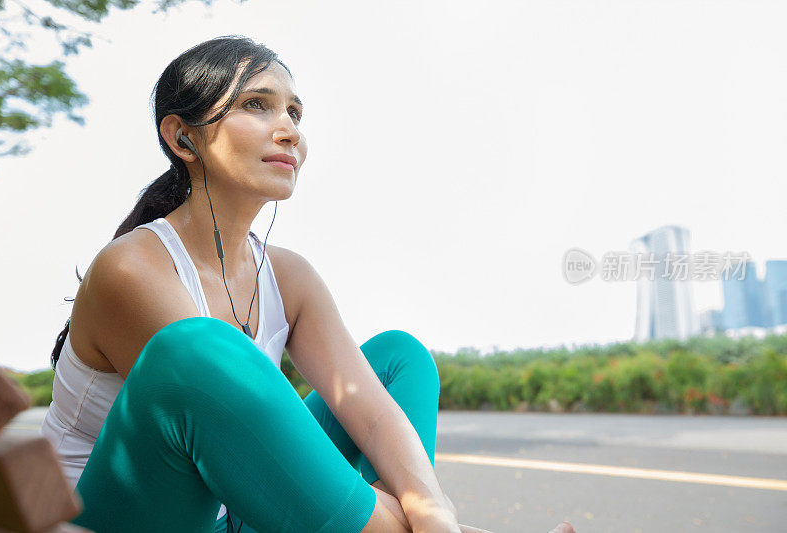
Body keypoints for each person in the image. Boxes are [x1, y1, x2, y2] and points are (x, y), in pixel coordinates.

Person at [39, 35, 538, 533]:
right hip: (114, 520)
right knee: (198, 349)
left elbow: (366, 411)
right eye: (257, 105)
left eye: (295, 114)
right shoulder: (132, 270)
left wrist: (434, 510)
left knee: (398, 359)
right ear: (183, 138)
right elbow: (246, 434)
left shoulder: (289, 276)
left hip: (236, 509)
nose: (288, 131)